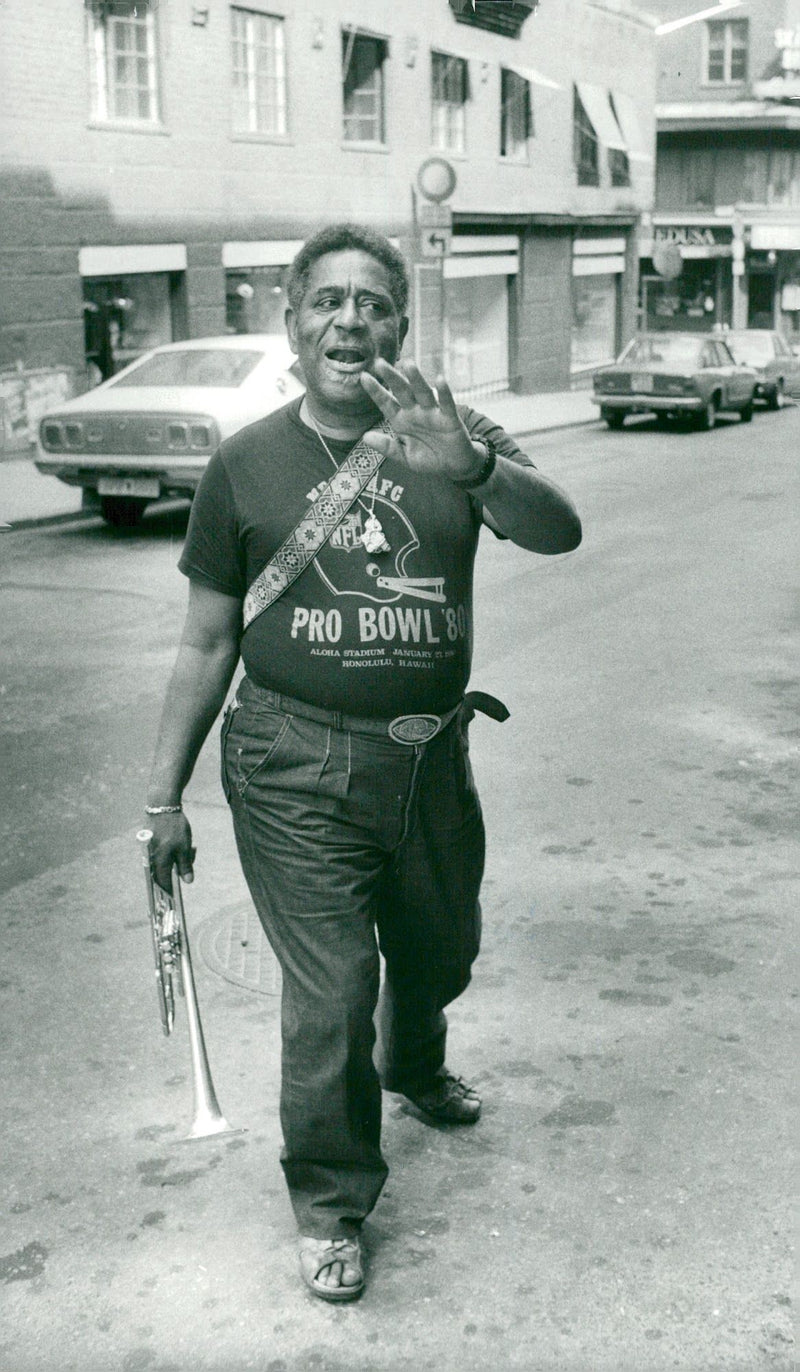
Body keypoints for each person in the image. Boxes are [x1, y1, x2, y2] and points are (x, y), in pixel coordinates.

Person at [144, 223, 581, 1302]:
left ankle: (416, 1061)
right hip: (290, 761)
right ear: (294, 323)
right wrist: (160, 799)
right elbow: (206, 640)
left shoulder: (450, 429)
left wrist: (472, 467)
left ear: (400, 322)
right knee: (334, 990)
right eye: (327, 301)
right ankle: (331, 1201)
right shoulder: (245, 465)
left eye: (373, 303)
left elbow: (561, 529)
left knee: (435, 954)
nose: (350, 320)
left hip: (431, 760)